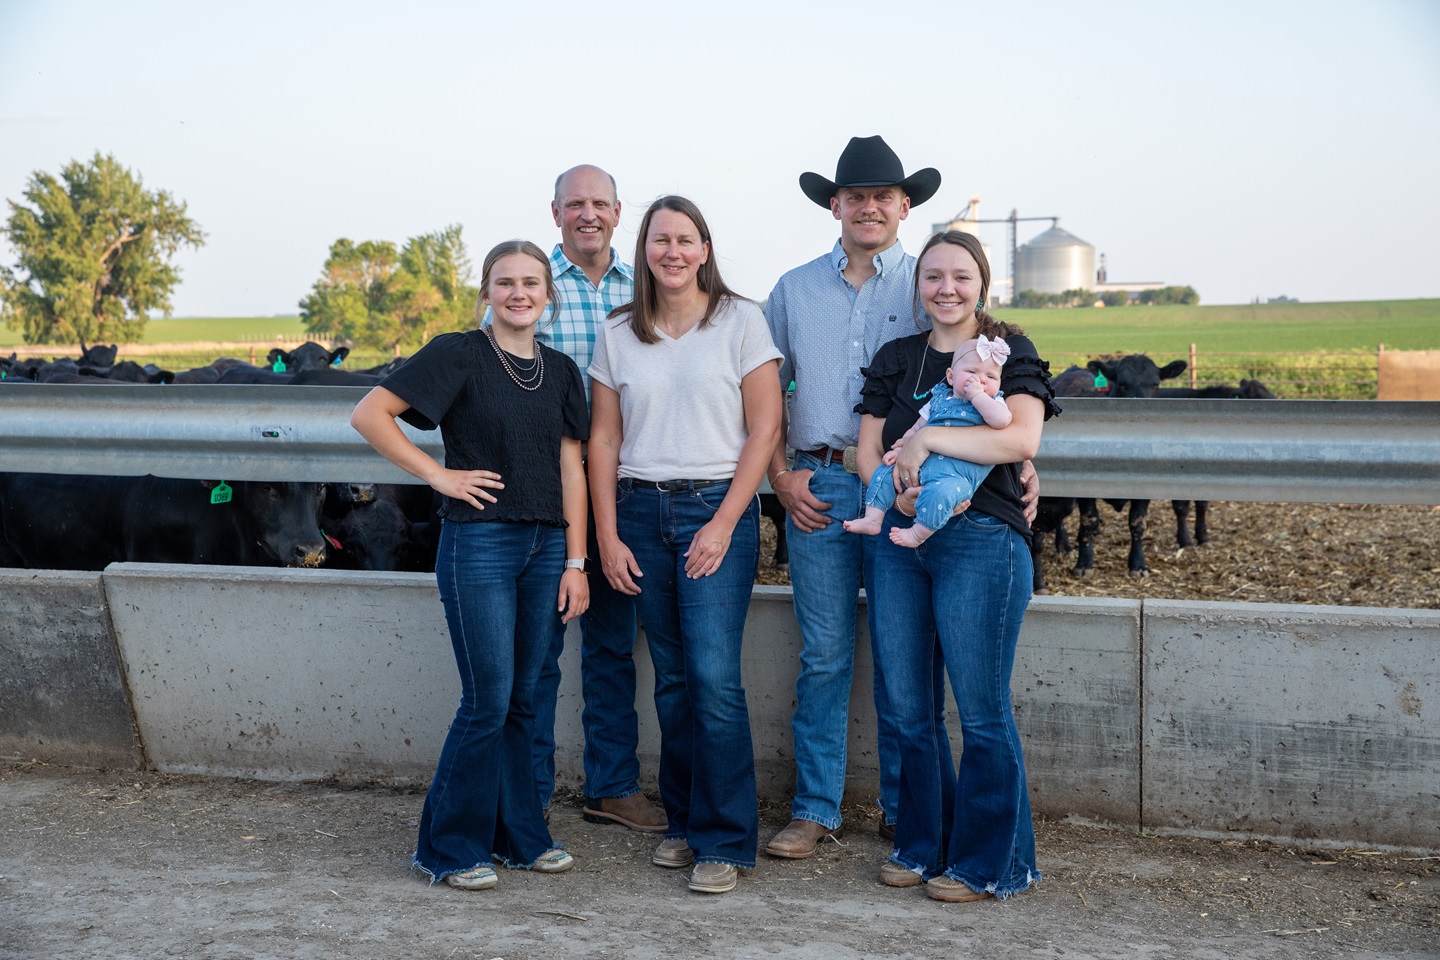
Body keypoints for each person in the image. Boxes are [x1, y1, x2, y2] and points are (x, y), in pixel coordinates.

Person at [351, 239, 589, 891]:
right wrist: (438, 476)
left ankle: (519, 837)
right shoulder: (460, 353)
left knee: (527, 697)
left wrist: (577, 560)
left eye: (531, 282)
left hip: (547, 548)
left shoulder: (564, 372)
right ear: (486, 292)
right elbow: (370, 414)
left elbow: (572, 467)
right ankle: (448, 848)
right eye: (504, 282)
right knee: (487, 699)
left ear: (549, 294)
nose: (518, 293)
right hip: (480, 542)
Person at [588, 196, 782, 894]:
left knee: (713, 680)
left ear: (704, 250)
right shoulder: (618, 333)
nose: (672, 251)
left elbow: (763, 432)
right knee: (671, 682)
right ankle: (683, 822)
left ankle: (724, 841)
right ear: (644, 251)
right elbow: (604, 439)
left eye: (686, 239)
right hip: (639, 513)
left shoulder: (741, 321)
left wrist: (727, 522)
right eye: (660, 240)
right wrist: (607, 535)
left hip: (713, 509)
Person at [858, 230, 1058, 903]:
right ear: (918, 286)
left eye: (961, 277)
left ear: (982, 284)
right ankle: (923, 846)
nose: (947, 288)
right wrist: (898, 486)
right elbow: (866, 451)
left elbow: (1020, 436)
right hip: (900, 543)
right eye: (934, 276)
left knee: (980, 712)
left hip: (980, 541)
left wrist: (930, 436)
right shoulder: (897, 359)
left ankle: (989, 864)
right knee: (908, 710)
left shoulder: (1008, 351)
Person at [762, 135, 947, 856]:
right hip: (822, 480)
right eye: (855, 197)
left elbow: (976, 366)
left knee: (905, 653)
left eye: (883, 197)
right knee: (826, 652)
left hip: (908, 483)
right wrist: (782, 476)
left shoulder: (929, 283)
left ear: (905, 206)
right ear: (834, 206)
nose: (869, 207)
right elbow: (765, 392)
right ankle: (815, 808)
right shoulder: (793, 289)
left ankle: (907, 809)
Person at [500, 164, 666, 834]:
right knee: (538, 653)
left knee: (611, 646)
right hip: (545, 493)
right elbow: (496, 373)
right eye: (576, 204)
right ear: (555, 212)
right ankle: (528, 793)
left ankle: (612, 786)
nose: (588, 214)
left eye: (600, 203)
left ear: (619, 213)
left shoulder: (647, 288)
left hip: (629, 491)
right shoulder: (532, 286)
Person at [845, 335, 1013, 546]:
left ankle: (918, 533)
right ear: (951, 377)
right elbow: (917, 427)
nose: (980, 380)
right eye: (971, 372)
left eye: (991, 377)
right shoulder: (940, 397)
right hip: (921, 468)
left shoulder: (993, 403)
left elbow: (1001, 421)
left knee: (940, 495)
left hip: (955, 478)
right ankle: (873, 517)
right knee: (884, 472)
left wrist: (978, 397)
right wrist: (901, 448)